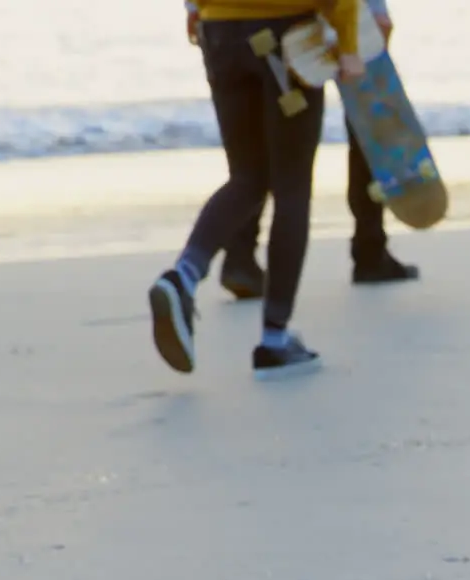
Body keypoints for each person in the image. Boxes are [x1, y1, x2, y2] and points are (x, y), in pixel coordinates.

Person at [150, 0, 366, 377]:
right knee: (292, 188)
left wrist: (194, 9)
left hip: (218, 31)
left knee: (247, 177)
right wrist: (348, 45)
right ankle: (274, 340)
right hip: (287, 32)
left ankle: (182, 275)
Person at [186, 0, 419, 301]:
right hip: (298, 21)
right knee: (358, 116)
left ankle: (237, 258)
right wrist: (372, 13)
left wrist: (193, 6)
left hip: (222, 25)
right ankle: (369, 248)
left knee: (250, 168)